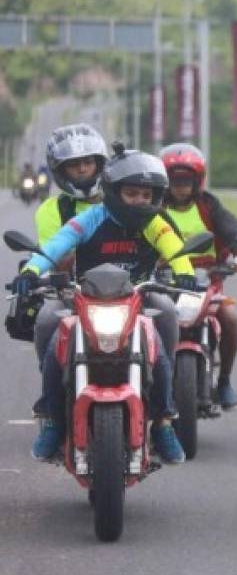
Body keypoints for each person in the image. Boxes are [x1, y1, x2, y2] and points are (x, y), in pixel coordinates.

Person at [9, 145, 195, 464]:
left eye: (147, 195)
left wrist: (185, 274)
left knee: (165, 316)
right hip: (84, 296)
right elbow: (56, 245)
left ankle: (164, 421)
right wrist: (30, 271)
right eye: (132, 193)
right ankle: (53, 418)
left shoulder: (155, 222)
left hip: (139, 295)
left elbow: (175, 248)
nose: (140, 200)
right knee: (49, 325)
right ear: (112, 192)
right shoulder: (91, 218)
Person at [160, 142, 237, 410]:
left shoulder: (209, 206)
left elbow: (234, 230)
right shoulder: (153, 208)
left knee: (230, 318)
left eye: (186, 180)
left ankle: (224, 381)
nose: (180, 186)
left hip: (206, 285)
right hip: (162, 286)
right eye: (174, 181)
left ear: (197, 180)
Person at [30, 125, 108, 367]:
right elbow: (53, 259)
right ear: (61, 171)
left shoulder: (121, 199)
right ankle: (51, 397)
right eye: (75, 164)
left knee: (166, 314)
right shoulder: (51, 210)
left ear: (99, 163)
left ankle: (165, 398)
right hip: (72, 293)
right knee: (45, 320)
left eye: (87, 161)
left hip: (129, 290)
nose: (83, 169)